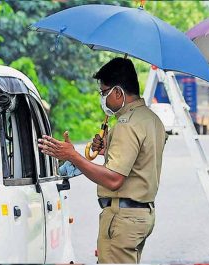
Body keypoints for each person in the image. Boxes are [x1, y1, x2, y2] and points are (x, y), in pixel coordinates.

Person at [38, 57, 167, 263]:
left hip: (123, 217)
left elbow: (114, 179)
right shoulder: (150, 119)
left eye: (103, 92)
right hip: (142, 215)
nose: (102, 98)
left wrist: (73, 156)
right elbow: (141, 158)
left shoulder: (127, 124)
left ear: (118, 92)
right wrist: (108, 149)